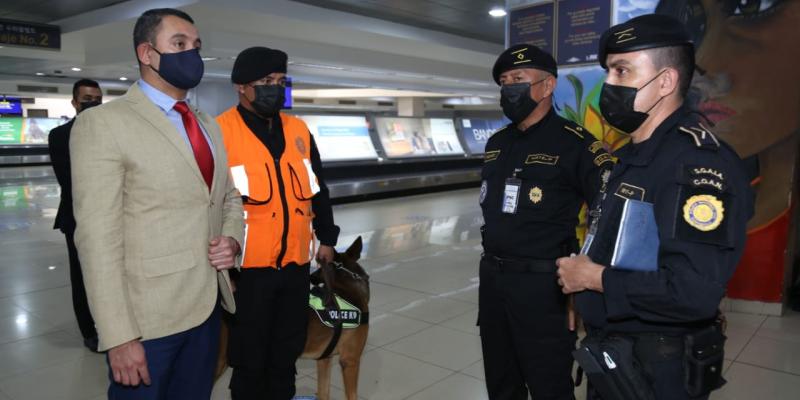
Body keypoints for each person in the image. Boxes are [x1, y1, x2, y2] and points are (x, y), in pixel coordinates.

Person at [556, 14, 754, 400]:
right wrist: (583, 298)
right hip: (616, 354)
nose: (608, 84)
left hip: (655, 369)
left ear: (665, 81)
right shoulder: (632, 155)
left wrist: (592, 279)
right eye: (608, 72)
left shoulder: (697, 166)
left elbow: (692, 291)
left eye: (621, 70)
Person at [70, 8, 244, 399]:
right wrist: (119, 336)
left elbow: (227, 197)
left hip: (207, 307)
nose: (192, 55)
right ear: (147, 54)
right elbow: (98, 241)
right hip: (147, 323)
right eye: (179, 45)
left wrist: (231, 240)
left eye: (196, 46)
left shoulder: (206, 123)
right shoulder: (104, 125)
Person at [479, 44, 613, 400]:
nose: (509, 89)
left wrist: (582, 287)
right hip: (493, 285)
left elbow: (609, 219)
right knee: (501, 383)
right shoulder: (496, 143)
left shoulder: (577, 145)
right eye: (504, 81)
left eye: (519, 79)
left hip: (545, 288)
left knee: (549, 385)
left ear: (548, 85)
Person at [216, 46, 340, 400]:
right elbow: (208, 205)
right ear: (241, 86)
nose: (276, 87)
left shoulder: (298, 129)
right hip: (247, 270)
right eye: (266, 81)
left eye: (281, 81)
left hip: (295, 266)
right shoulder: (220, 132)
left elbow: (318, 188)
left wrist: (327, 238)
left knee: (287, 352)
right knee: (249, 356)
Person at [47, 78, 103, 352]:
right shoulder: (60, 136)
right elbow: (70, 181)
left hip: (113, 215)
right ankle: (88, 330)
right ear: (74, 102)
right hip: (77, 217)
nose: (92, 103)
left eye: (96, 98)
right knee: (81, 276)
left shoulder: (111, 131)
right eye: (87, 98)